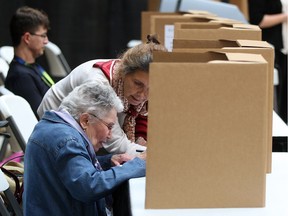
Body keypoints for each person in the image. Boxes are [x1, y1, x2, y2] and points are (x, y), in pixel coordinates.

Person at [23, 81, 146, 216]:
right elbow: (88, 186)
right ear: (85, 120)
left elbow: (70, 168)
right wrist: (139, 163)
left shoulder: (56, 129)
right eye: (109, 127)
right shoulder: (65, 140)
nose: (110, 135)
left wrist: (108, 160)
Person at [37, 34, 167, 156]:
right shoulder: (99, 84)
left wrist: (142, 142)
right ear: (124, 72)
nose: (143, 94)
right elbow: (117, 145)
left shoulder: (141, 81)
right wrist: (156, 155)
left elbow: (141, 119)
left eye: (151, 88)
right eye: (138, 84)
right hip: (57, 125)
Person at [5, 6, 54, 118]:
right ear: (27, 38)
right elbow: (43, 117)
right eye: (43, 36)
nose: (46, 41)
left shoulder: (31, 68)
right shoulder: (21, 77)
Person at [248, 0, 288, 124]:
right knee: (276, 96)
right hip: (271, 47)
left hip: (284, 48)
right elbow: (257, 20)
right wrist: (285, 16)